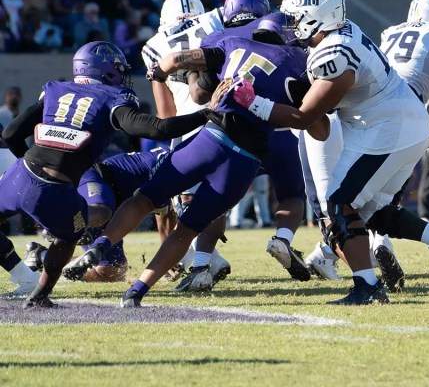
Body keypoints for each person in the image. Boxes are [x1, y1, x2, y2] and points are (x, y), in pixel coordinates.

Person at [232, 0, 429, 304]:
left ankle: (367, 287)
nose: (289, 25)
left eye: (294, 18)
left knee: (338, 205)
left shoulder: (334, 54)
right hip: (394, 123)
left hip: (387, 127)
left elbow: (305, 118)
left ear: (314, 18)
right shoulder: (340, 34)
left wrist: (253, 102)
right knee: (371, 211)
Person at [64, 17, 311, 307]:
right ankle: (137, 291)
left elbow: (178, 63)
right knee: (186, 230)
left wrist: (160, 72)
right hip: (244, 161)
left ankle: (101, 245)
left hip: (209, 139)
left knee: (145, 199)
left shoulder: (233, 42)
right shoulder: (301, 63)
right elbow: (312, 123)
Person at [0, 42, 211, 308]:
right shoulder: (113, 97)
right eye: (118, 69)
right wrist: (206, 113)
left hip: (19, 173)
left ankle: (26, 274)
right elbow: (158, 129)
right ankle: (38, 295)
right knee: (67, 239)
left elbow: (10, 134)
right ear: (105, 70)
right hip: (56, 188)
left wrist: (28, 165)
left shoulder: (54, 89)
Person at [200, 0, 314, 283]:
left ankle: (201, 263)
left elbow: (199, 94)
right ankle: (283, 238)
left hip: (233, 130)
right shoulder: (287, 40)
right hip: (279, 130)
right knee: (291, 195)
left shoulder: (217, 39)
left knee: (215, 198)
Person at [141, 0, 233, 293]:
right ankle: (206, 260)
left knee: (187, 201)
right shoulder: (215, 21)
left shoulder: (153, 47)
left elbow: (166, 113)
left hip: (187, 126)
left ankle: (203, 263)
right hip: (229, 114)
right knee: (217, 195)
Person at [381, 0, 429, 283]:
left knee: (367, 189)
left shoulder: (390, 32)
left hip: (367, 106)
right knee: (376, 192)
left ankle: (335, 251)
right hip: (406, 109)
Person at [26, 146, 172, 283]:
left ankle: (41, 256)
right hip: (97, 180)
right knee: (102, 212)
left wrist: (170, 259)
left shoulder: (179, 162)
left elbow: (164, 212)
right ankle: (62, 225)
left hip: (113, 199)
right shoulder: (175, 165)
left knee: (112, 271)